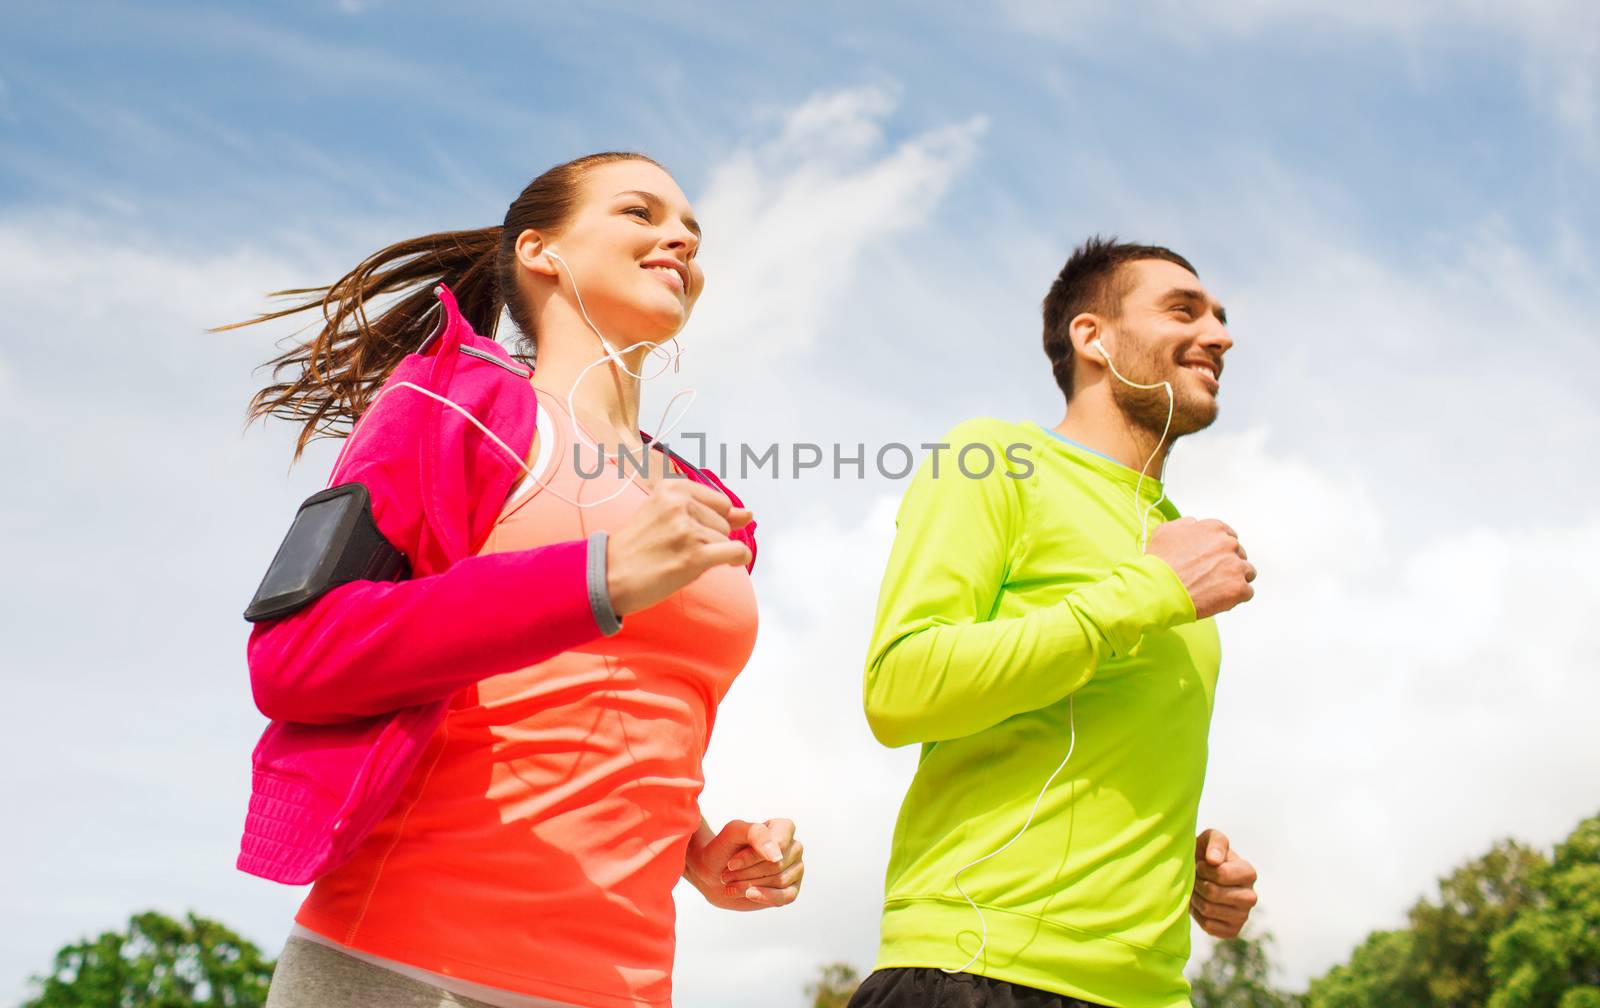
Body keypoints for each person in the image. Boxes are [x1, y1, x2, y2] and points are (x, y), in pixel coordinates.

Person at [226, 152, 804, 1008]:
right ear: (542, 250)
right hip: (404, 967)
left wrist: (700, 850)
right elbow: (294, 657)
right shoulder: (451, 409)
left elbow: (601, 706)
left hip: (623, 985)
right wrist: (593, 577)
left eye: (692, 229)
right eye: (641, 214)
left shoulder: (710, 501)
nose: (680, 236)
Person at [849, 238, 1260, 1008]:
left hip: (1152, 991)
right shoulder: (995, 457)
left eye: (1222, 318)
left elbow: (1088, 742)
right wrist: (1148, 590)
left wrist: (1182, 864)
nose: (1221, 335)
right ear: (1092, 337)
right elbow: (899, 688)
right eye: (1184, 310)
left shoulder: (1177, 543)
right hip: (978, 969)